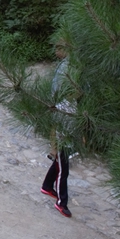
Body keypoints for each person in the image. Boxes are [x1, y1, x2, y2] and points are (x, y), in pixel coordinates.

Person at [42, 44, 76, 218]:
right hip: (64, 140)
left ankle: (47, 186)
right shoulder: (64, 105)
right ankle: (62, 202)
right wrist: (54, 145)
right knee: (64, 170)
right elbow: (55, 126)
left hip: (68, 138)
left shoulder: (75, 104)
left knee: (58, 165)